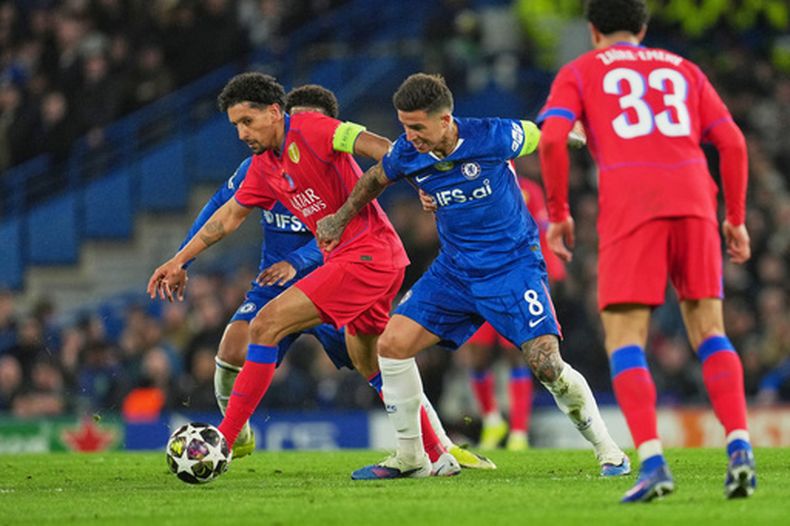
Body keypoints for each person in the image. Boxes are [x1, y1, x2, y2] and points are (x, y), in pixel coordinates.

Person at [147, 75, 493, 476]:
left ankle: (222, 440)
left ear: (273, 112)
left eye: (247, 121)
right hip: (365, 261)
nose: (242, 133)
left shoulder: (312, 128)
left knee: (265, 326)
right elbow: (226, 218)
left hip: (366, 257)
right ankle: (436, 454)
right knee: (371, 361)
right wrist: (180, 260)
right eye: (236, 125)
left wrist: (422, 180)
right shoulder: (262, 167)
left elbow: (380, 147)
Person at [316, 73, 629, 480]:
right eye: (404, 126)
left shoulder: (492, 135)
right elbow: (376, 177)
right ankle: (412, 457)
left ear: (445, 120)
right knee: (391, 345)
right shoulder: (408, 152)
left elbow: (543, 135)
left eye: (417, 127)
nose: (409, 137)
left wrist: (578, 134)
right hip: (455, 271)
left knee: (547, 365)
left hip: (512, 268)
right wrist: (340, 219)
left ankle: (610, 452)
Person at [537, 0, 755, 503]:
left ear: (593, 30)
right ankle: (740, 448)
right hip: (696, 200)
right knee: (710, 331)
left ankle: (654, 463)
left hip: (632, 203)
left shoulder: (581, 69)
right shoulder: (684, 68)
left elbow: (551, 140)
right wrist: (737, 218)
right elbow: (733, 143)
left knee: (625, 338)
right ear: (643, 27)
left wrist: (559, 212)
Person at [460, 175, 567, 451]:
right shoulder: (471, 184)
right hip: (481, 281)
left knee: (517, 355)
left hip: (517, 284)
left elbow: (541, 233)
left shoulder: (528, 191)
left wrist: (550, 275)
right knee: (476, 356)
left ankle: (519, 431)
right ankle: (492, 420)